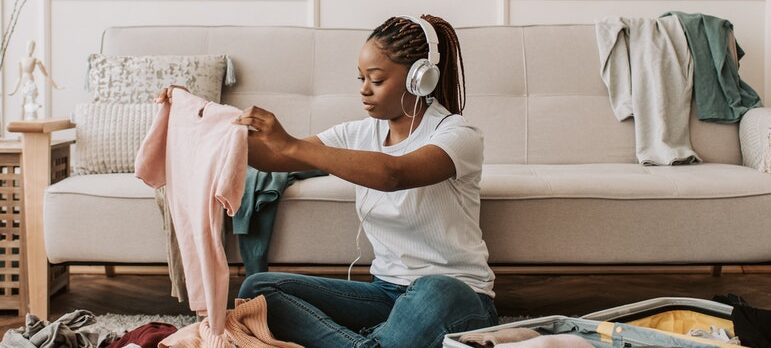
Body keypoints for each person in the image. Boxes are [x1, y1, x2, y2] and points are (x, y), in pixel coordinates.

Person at [157, 14, 496, 348]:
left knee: (434, 288)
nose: (364, 90)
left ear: (419, 80)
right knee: (258, 291)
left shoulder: (457, 135)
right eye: (360, 78)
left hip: (458, 296)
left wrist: (290, 143)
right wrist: (199, 117)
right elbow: (275, 157)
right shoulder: (357, 132)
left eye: (376, 80)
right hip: (386, 293)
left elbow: (393, 174)